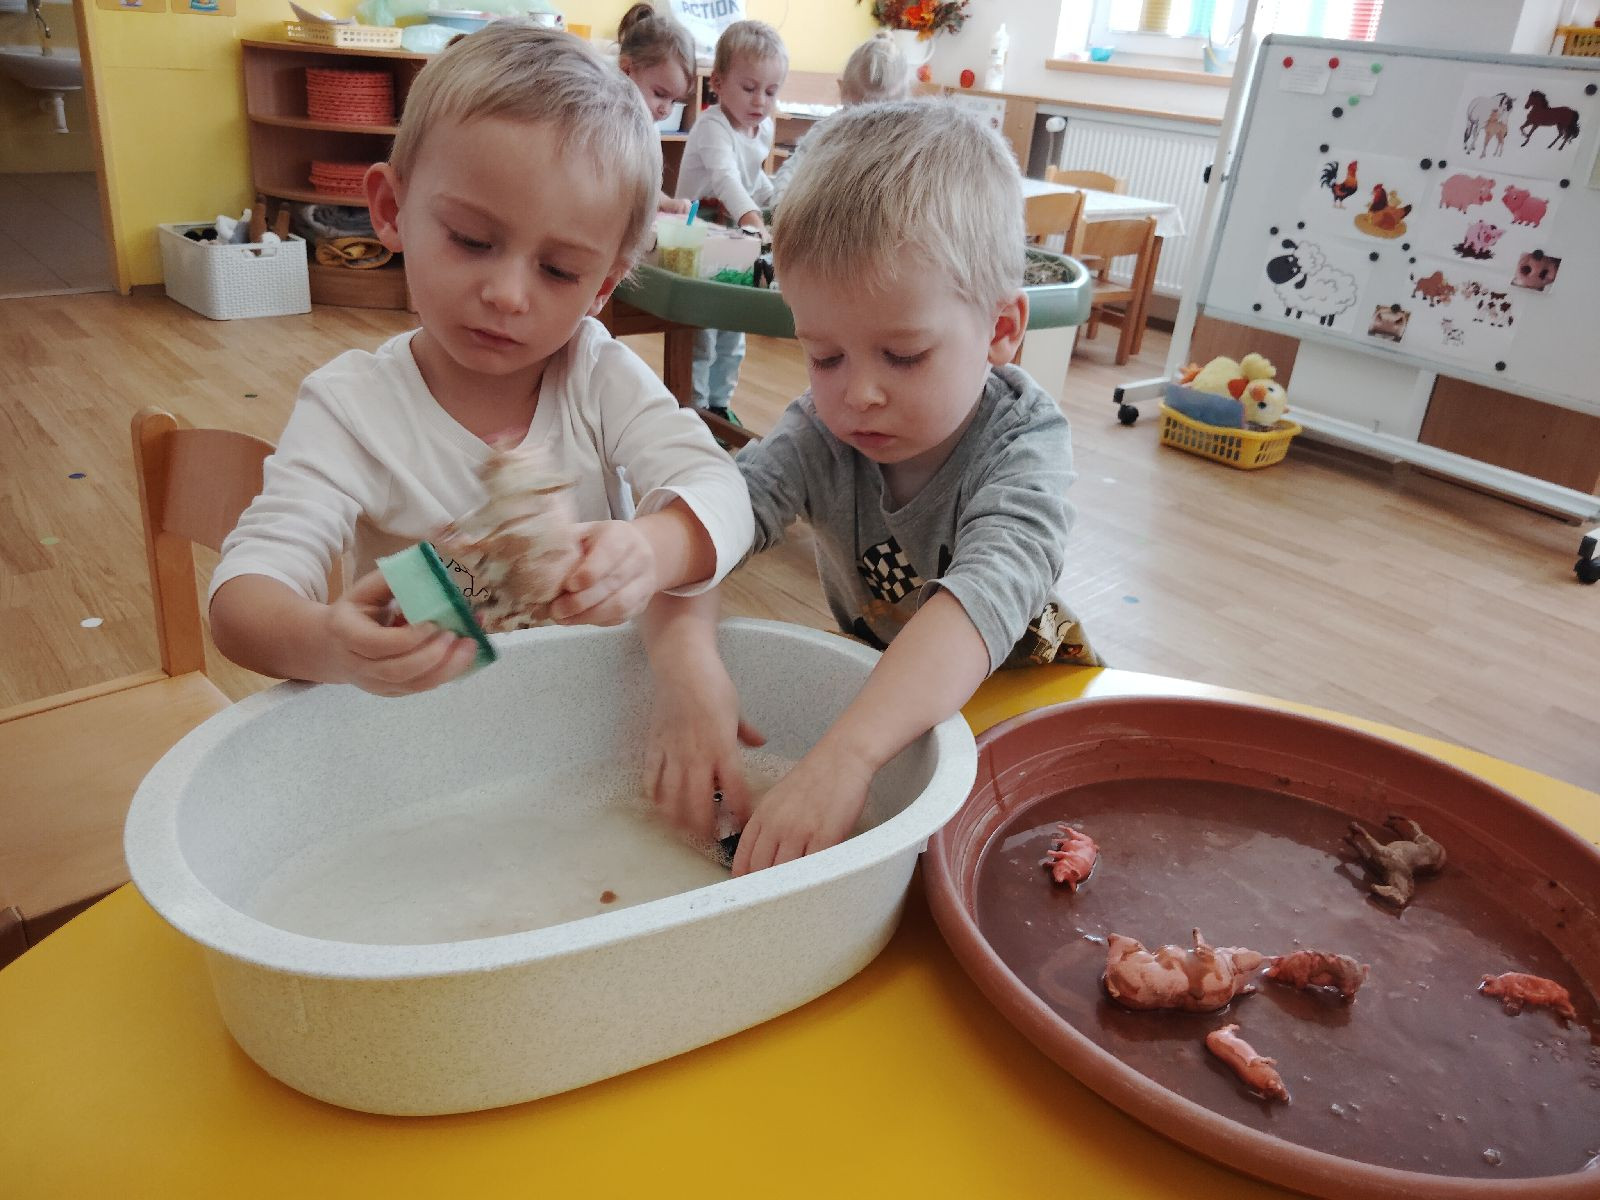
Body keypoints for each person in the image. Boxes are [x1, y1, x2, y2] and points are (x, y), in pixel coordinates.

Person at [209, 25, 755, 791]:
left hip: (591, 739)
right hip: (431, 763)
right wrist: (333, 644)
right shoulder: (352, 409)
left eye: (559, 271)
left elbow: (721, 490)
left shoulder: (599, 377)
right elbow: (243, 600)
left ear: (603, 286)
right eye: (471, 240)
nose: (507, 294)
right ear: (391, 209)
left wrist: (651, 549)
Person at [656, 101, 1102, 874]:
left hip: (1025, 711)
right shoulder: (819, 431)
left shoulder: (1024, 443)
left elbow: (979, 601)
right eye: (825, 357)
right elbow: (712, 519)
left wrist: (848, 755)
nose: (857, 394)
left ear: (1002, 330)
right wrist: (681, 652)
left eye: (903, 355)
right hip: (892, 706)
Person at [672, 19, 788, 424]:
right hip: (699, 232)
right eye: (749, 87)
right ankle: (696, 408)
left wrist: (781, 205)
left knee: (733, 325)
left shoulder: (762, 129)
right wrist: (756, 221)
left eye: (771, 91)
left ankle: (720, 404)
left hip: (735, 233)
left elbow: (755, 183)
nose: (760, 101)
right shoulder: (712, 126)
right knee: (703, 330)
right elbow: (727, 180)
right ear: (718, 83)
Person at [770, 31, 910, 207]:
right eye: (858, 112)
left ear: (904, 104)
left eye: (882, 115)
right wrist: (781, 202)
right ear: (842, 90)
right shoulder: (827, 131)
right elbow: (793, 169)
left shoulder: (905, 142)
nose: (869, 123)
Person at [614, 2, 696, 215]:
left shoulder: (649, 126)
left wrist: (663, 201)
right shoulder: (606, 121)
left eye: (674, 101)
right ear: (626, 69)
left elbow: (640, 186)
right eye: (660, 94)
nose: (666, 110)